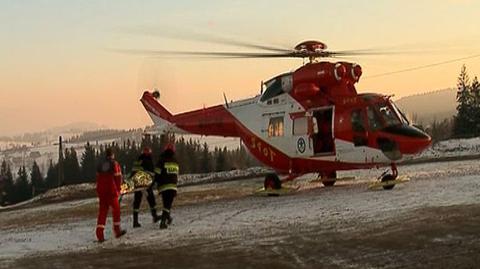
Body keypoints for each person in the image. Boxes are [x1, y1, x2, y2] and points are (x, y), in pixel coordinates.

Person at [95, 148, 126, 242]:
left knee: (102, 212)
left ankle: (99, 233)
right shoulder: (114, 164)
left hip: (102, 191)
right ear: (112, 155)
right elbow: (118, 177)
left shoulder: (101, 164)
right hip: (111, 191)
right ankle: (117, 230)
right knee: (116, 210)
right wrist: (119, 189)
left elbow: (98, 177)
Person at [131, 146, 160, 228]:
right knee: (151, 199)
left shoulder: (137, 161)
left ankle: (135, 221)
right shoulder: (148, 160)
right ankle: (155, 216)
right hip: (144, 184)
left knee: (137, 201)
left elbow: (133, 172)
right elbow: (151, 173)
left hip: (137, 184)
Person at [154, 143, 179, 229]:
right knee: (167, 205)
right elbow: (175, 175)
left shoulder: (161, 160)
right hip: (172, 186)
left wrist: (154, 183)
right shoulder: (175, 161)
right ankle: (163, 222)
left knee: (166, 204)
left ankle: (168, 218)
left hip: (163, 186)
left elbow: (156, 173)